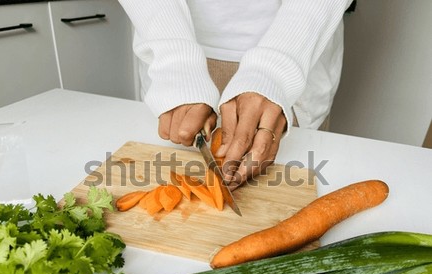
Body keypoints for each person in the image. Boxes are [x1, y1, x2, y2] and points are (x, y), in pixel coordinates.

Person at [118, 0, 353, 190]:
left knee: (288, 186)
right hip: (168, 54)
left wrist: (275, 71)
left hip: (297, 49)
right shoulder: (173, 65)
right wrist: (175, 61)